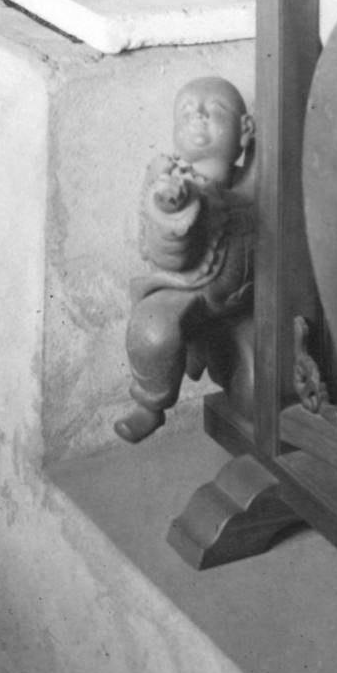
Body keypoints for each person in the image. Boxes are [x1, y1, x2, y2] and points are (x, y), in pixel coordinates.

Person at [115, 76, 257, 445]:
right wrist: (170, 209)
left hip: (245, 301)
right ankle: (148, 405)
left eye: (215, 111)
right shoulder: (175, 184)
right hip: (186, 289)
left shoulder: (255, 179)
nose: (199, 117)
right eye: (188, 112)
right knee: (153, 329)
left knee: (258, 393)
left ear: (244, 131)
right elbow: (169, 250)